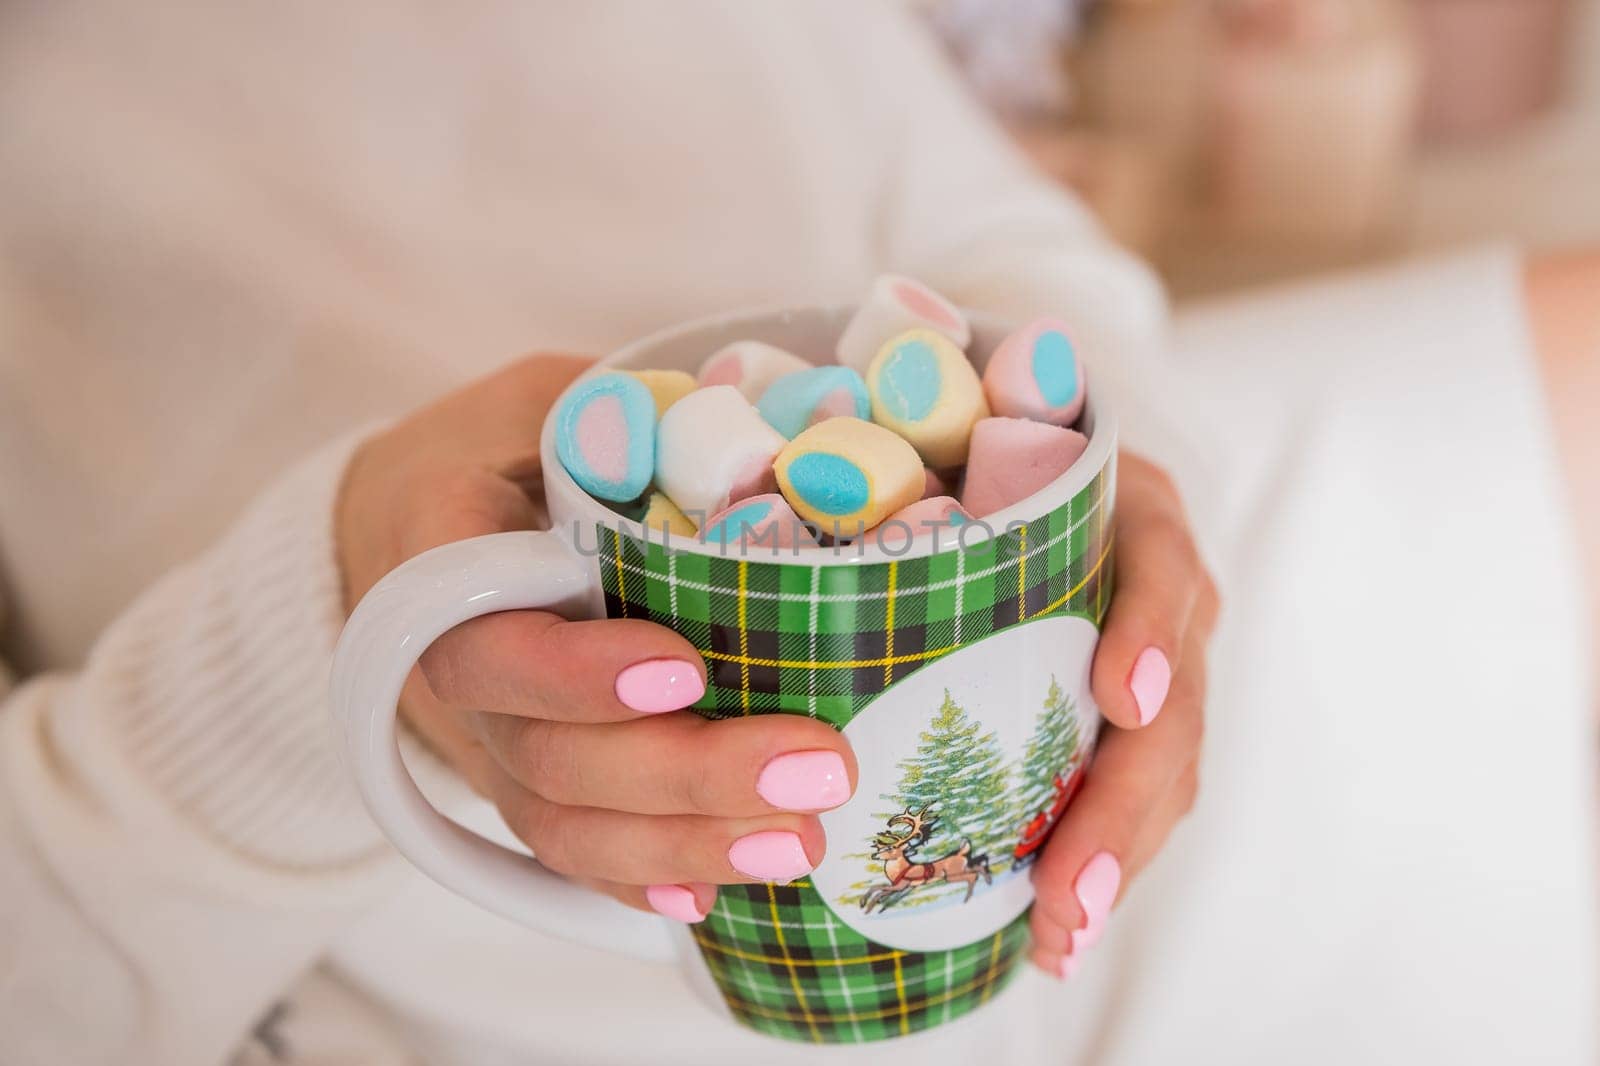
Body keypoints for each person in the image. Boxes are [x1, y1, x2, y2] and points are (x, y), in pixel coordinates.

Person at [0, 3, 1593, 1064]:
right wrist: (338, 612)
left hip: (1046, 665)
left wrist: (1128, 482)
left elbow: (991, 232)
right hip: (499, 908)